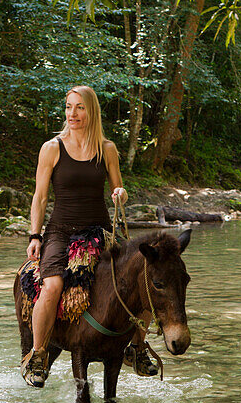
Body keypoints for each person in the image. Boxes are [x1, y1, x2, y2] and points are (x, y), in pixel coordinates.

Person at [21, 85, 157, 387]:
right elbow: (40, 197)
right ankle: (38, 354)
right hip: (60, 231)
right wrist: (35, 235)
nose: (72, 114)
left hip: (99, 231)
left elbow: (117, 189)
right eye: (69, 107)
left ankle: (136, 348)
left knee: (142, 275)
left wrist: (120, 194)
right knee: (53, 284)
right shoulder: (52, 148)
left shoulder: (106, 148)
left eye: (79, 107)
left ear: (91, 111)